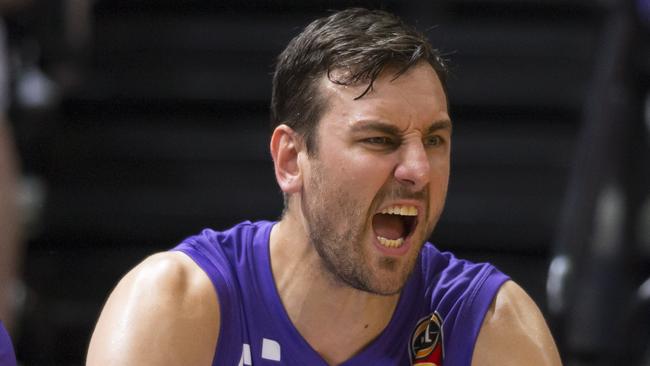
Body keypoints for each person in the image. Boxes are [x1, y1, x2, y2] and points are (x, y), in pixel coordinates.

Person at [87, 8, 561, 366]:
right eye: (379, 139)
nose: (419, 169)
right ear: (291, 159)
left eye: (435, 140)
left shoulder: (490, 329)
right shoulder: (175, 306)